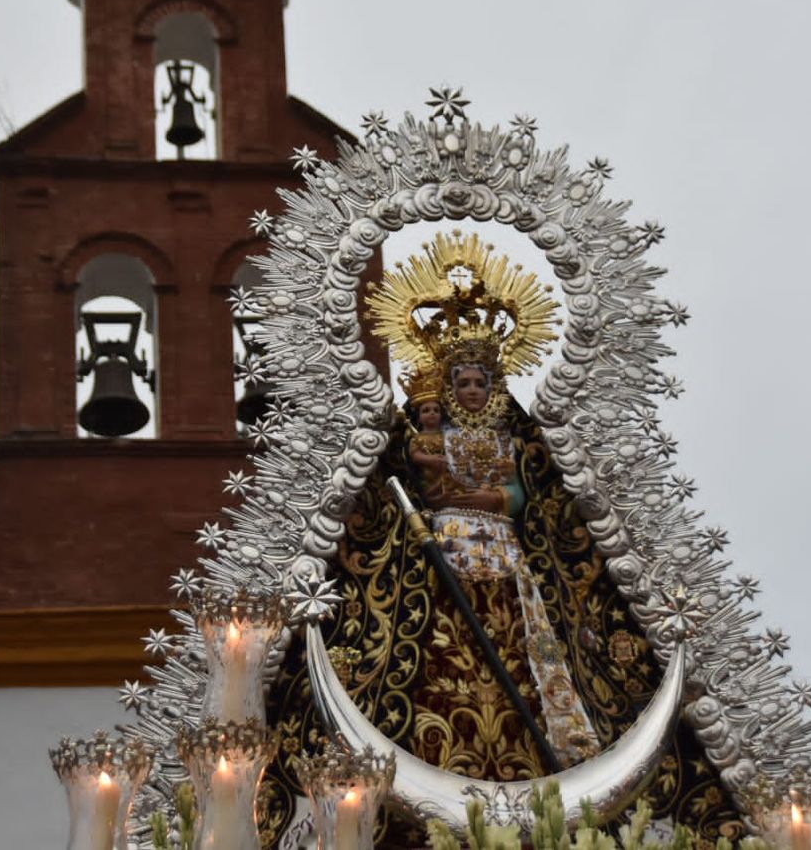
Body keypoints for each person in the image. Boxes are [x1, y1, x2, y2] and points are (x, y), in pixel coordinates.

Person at [261, 232, 741, 841]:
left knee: (531, 651)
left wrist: (486, 497)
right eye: (460, 382)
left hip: (506, 561)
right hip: (439, 562)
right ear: (447, 382)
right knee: (434, 649)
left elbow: (524, 499)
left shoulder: (514, 441)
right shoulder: (424, 436)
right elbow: (410, 488)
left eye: (481, 383)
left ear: (494, 386)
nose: (471, 393)